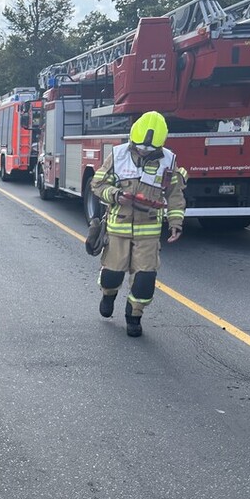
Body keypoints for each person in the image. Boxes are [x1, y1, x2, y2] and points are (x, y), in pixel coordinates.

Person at [91, 110, 187, 337]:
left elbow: (175, 195)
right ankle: (108, 294)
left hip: (149, 232)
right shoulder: (118, 155)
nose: (144, 151)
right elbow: (97, 185)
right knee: (112, 274)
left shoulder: (169, 161)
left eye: (150, 149)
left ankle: (134, 315)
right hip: (118, 230)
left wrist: (176, 222)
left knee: (145, 279)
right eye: (140, 147)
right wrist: (115, 195)